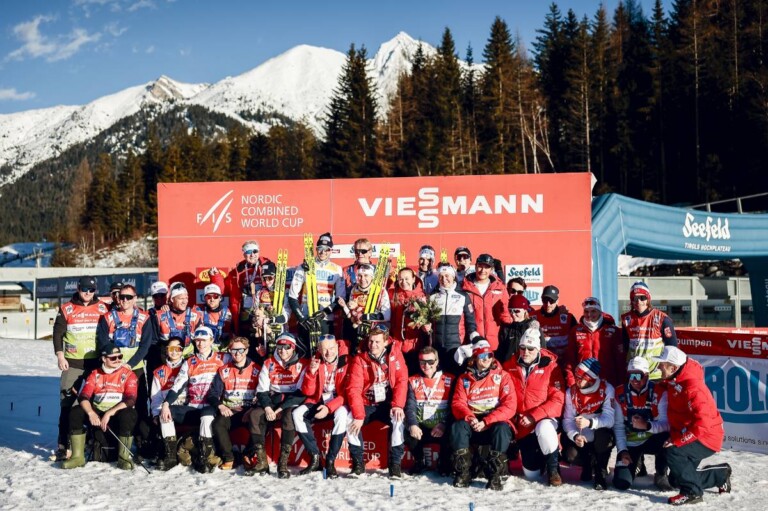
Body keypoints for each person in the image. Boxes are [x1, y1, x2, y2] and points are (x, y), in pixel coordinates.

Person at [652, 346, 731, 506]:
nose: (659, 367)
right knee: (676, 479)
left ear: (673, 367)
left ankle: (692, 493)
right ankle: (720, 475)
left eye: (662, 364)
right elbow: (667, 385)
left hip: (706, 437)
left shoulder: (693, 388)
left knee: (673, 452)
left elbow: (702, 424)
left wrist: (679, 441)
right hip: (693, 432)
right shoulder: (676, 378)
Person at [52, 275, 109, 461]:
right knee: (68, 403)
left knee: (94, 403)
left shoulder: (102, 307)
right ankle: (63, 444)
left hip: (95, 363)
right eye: (84, 289)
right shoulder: (67, 308)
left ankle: (91, 441)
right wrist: (60, 355)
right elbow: (58, 332)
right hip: (73, 362)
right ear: (78, 288)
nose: (87, 293)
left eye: (91, 290)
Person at [502, 326, 565, 486]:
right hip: (522, 425)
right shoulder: (509, 366)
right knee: (531, 475)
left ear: (538, 349)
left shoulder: (551, 366)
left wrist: (533, 416)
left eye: (530, 348)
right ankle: (539, 460)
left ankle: (553, 470)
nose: (526, 352)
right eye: (522, 347)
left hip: (543, 419)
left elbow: (558, 400)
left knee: (544, 428)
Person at [450, 340, 516, 490]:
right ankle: (463, 473)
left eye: (489, 355)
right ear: (474, 358)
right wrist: (471, 418)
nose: (486, 359)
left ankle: (495, 476)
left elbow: (510, 406)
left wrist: (487, 421)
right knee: (458, 427)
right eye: (481, 356)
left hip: (493, 421)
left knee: (502, 428)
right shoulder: (464, 378)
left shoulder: (502, 376)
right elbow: (458, 404)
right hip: (473, 421)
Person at [160, 326, 227, 473]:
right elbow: (177, 386)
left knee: (207, 415)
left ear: (211, 340)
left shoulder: (223, 358)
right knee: (166, 413)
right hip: (193, 407)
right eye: (197, 341)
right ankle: (170, 456)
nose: (200, 344)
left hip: (213, 407)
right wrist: (166, 404)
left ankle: (205, 457)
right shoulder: (190, 362)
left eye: (204, 341)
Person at [62, 342, 138, 470]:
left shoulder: (128, 374)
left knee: (129, 414)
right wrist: (91, 413)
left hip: (116, 413)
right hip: (98, 412)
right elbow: (84, 396)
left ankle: (124, 458)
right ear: (104, 358)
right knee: (76, 412)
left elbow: (131, 399)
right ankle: (77, 457)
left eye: (120, 357)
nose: (118, 360)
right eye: (113, 358)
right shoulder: (94, 374)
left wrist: (109, 413)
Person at [346, 325, 409, 478]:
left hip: (387, 404)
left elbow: (402, 380)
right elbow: (353, 388)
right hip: (367, 403)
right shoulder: (360, 359)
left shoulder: (395, 355)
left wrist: (398, 405)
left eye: (377, 342)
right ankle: (358, 464)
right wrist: (359, 415)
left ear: (386, 342)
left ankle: (395, 465)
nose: (373, 345)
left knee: (399, 420)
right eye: (371, 341)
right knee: (350, 420)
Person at [249, 332, 308, 478]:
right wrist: (268, 408)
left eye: (287, 347)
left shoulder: (302, 364)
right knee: (255, 415)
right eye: (279, 347)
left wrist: (280, 409)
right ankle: (262, 462)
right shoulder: (269, 363)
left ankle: (283, 464)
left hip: (291, 400)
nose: (282, 351)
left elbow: (301, 393)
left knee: (289, 416)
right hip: (273, 399)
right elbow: (262, 390)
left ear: (293, 348)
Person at [292, 334, 350, 478]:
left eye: (331, 348)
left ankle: (330, 461)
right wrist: (311, 373)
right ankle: (315, 457)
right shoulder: (316, 361)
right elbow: (308, 392)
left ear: (337, 347)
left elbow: (348, 394)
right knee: (297, 414)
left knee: (342, 415)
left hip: (339, 401)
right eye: (324, 349)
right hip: (318, 401)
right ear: (319, 349)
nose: (328, 353)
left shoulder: (347, 361)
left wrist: (329, 407)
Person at [612, 356, 673, 491]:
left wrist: (647, 425)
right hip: (631, 443)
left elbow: (666, 424)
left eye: (638, 376)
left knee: (667, 437)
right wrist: (622, 450)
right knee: (621, 483)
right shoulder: (620, 393)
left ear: (647, 375)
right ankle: (637, 461)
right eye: (631, 376)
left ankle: (661, 473)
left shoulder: (659, 392)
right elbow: (618, 426)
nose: (634, 380)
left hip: (651, 439)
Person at [207, 337, 261, 471]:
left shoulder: (257, 369)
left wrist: (252, 409)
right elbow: (212, 394)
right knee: (218, 424)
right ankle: (229, 458)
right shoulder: (224, 370)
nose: (237, 353)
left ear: (247, 350)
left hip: (249, 410)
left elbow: (264, 393)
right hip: (230, 411)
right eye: (233, 350)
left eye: (241, 350)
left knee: (259, 420)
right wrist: (221, 406)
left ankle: (248, 455)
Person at [562, 358, 616, 491]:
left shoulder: (607, 389)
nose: (577, 380)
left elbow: (610, 420)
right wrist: (575, 436)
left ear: (591, 378)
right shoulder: (571, 392)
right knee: (569, 454)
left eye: (581, 377)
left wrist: (590, 422)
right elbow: (567, 420)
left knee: (604, 436)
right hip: (582, 436)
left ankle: (600, 472)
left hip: (599, 434)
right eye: (576, 376)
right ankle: (588, 463)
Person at [288, 232, 345, 353]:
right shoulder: (304, 267)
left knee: (324, 354)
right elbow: (292, 296)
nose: (323, 252)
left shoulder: (337, 269)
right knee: (306, 355)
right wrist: (301, 318)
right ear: (316, 249)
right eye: (320, 249)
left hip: (325, 319)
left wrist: (325, 312)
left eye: (326, 249)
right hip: (306, 318)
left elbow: (341, 298)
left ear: (331, 251)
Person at [404, 347, 454, 475]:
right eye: (422, 362)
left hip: (441, 427)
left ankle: (444, 462)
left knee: (455, 429)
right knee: (406, 428)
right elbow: (410, 406)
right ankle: (420, 461)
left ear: (437, 362)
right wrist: (413, 424)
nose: (426, 365)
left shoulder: (449, 379)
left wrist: (443, 423)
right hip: (422, 427)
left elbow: (455, 407)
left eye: (430, 362)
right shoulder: (413, 380)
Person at [424, 265, 480, 375]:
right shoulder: (432, 297)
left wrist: (475, 338)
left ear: (453, 277)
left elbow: (470, 322)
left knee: (456, 378)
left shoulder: (463, 296)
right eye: (441, 276)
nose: (444, 279)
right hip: (437, 347)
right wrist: (425, 326)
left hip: (456, 347)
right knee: (439, 379)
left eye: (447, 276)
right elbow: (427, 321)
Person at [622, 281, 678, 380]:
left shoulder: (662, 318)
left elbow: (672, 348)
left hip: (656, 375)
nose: (639, 301)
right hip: (635, 373)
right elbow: (625, 346)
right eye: (635, 298)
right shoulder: (627, 319)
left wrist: (669, 372)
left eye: (642, 298)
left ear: (648, 299)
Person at [564, 297, 625, 387]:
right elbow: (570, 361)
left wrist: (621, 385)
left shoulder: (613, 331)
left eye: (593, 311)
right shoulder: (575, 331)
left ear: (600, 312)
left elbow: (620, 361)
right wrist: (571, 383)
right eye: (586, 311)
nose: (589, 314)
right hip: (583, 384)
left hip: (608, 384)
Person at [461, 253, 512, 352]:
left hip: (495, 344)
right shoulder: (464, 287)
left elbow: (506, 316)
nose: (483, 270)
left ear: (491, 269)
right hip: (472, 342)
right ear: (475, 266)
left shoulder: (500, 287)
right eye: (480, 266)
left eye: (487, 267)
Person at [149, 336, 185, 471]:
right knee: (164, 415)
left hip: (185, 406)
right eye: (171, 348)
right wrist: (156, 413)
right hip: (167, 410)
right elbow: (156, 397)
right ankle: (170, 457)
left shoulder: (187, 366)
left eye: (177, 349)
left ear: (182, 350)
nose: (174, 352)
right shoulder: (159, 372)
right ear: (166, 350)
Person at [339, 263, 391, 353]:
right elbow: (351, 314)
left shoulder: (380, 291)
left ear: (372, 277)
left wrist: (365, 317)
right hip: (358, 331)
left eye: (366, 275)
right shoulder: (354, 289)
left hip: (374, 333)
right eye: (360, 276)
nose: (363, 279)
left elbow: (386, 315)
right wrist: (345, 307)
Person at [226, 240, 273, 334]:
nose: (252, 255)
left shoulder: (268, 265)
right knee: (248, 335)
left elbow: (275, 285)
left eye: (255, 251)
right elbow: (225, 287)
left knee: (265, 336)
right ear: (244, 254)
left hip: (264, 306)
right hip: (247, 308)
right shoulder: (238, 270)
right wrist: (215, 277)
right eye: (248, 252)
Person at [248, 261, 292, 358]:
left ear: (276, 277)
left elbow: (286, 316)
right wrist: (256, 320)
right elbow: (254, 311)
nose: (267, 281)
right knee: (263, 358)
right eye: (264, 278)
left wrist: (270, 320)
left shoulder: (284, 293)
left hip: (279, 332)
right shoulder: (260, 293)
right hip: (263, 333)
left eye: (270, 278)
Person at [388, 267, 428, 372]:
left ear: (413, 279)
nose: (403, 282)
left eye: (407, 279)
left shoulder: (421, 296)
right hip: (396, 344)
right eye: (400, 279)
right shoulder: (393, 294)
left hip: (414, 346)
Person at [531, 285, 577, 367]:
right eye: (545, 300)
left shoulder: (568, 317)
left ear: (557, 301)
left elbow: (578, 338)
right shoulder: (533, 317)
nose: (548, 304)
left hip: (565, 363)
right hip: (543, 364)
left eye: (551, 300)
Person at [157, 282, 202, 356]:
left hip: (189, 358)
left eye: (186, 298)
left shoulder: (195, 315)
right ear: (172, 299)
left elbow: (200, 340)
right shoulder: (160, 315)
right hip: (168, 358)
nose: (184, 301)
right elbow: (154, 342)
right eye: (181, 298)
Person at [496, 295, 540, 364]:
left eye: (516, 311)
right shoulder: (506, 329)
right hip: (510, 368)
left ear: (525, 310)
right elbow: (500, 353)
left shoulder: (532, 327)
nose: (513, 314)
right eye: (510, 311)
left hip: (528, 368)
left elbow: (542, 349)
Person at [196, 282, 233, 351]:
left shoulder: (228, 312)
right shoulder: (199, 311)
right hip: (204, 348)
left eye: (215, 296)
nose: (212, 299)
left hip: (223, 348)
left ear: (220, 298)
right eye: (208, 297)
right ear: (204, 298)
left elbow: (233, 333)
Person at [145, 280, 169, 385]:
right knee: (152, 383)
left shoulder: (174, 310)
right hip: (154, 352)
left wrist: (169, 312)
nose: (159, 298)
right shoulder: (149, 313)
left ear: (167, 295)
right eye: (156, 296)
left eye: (162, 295)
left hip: (170, 351)